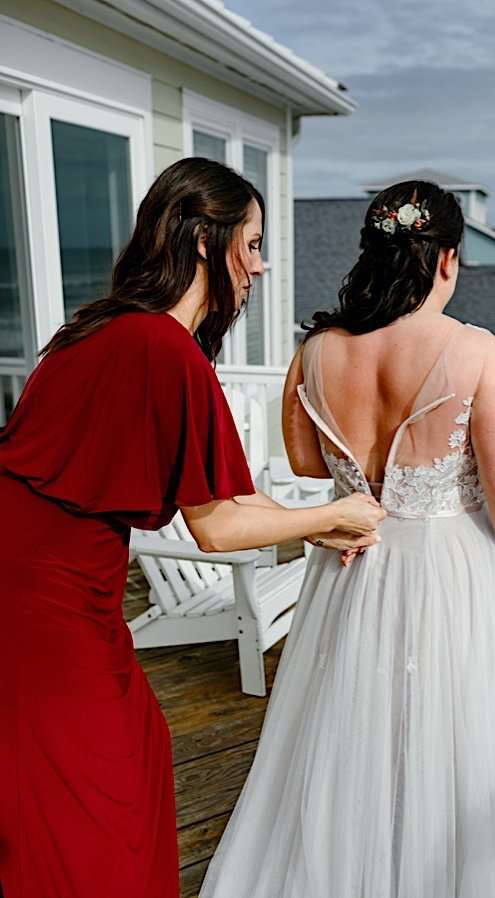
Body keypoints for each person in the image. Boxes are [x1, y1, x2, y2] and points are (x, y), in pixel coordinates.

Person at [0, 158, 386, 898]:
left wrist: (316, 525)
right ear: (206, 243)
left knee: (121, 758)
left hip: (48, 585)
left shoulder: (97, 329)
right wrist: (335, 513)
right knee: (89, 796)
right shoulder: (163, 350)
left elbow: (227, 496)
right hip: (41, 607)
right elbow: (215, 526)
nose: (262, 265)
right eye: (253, 243)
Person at [199, 180, 495, 897]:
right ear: (449, 260)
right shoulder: (478, 351)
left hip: (348, 558)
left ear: (371, 252)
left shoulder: (319, 349)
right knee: (453, 733)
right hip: (450, 563)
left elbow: (306, 462)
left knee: (344, 725)